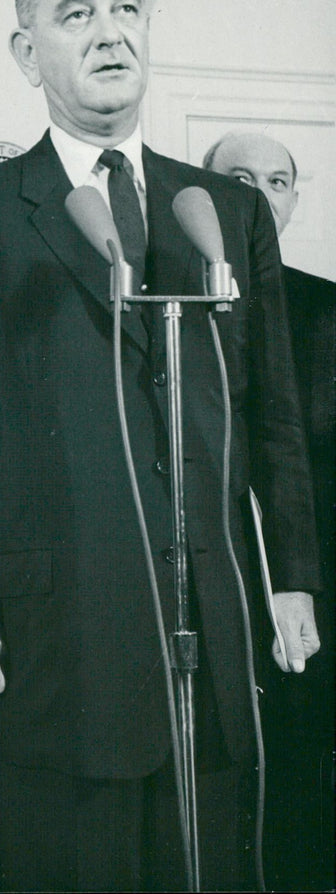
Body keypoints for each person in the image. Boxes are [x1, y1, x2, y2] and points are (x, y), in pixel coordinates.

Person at [0, 0, 321, 892]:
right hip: (59, 652)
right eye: (75, 13)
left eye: (126, 7)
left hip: (213, 639)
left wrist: (291, 578)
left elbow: (277, 419)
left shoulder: (221, 209)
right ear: (27, 53)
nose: (108, 34)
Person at [204, 130, 335, 891]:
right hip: (209, 572)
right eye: (239, 178)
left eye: (277, 181)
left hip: (309, 581)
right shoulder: (175, 303)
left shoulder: (326, 307)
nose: (258, 195)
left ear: (293, 198)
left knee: (299, 769)